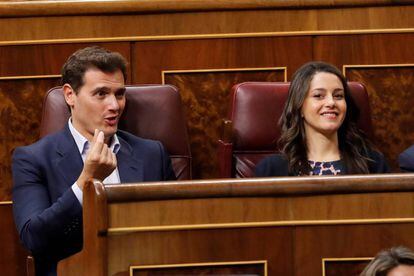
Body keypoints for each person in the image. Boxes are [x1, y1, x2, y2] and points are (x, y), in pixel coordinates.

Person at [12, 46, 176, 276]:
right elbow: (34, 239)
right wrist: (86, 181)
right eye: (101, 94)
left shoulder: (152, 153)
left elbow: (174, 232)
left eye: (119, 94)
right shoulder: (32, 159)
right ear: (70, 95)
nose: (115, 106)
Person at [255, 61, 389, 177]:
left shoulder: (373, 163)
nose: (331, 103)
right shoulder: (271, 169)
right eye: (318, 95)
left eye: (338, 96)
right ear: (299, 106)